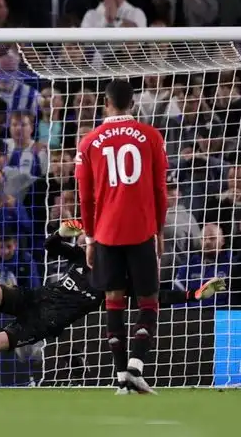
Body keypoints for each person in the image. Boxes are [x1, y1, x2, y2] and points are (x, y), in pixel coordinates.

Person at [0, 221, 225, 389]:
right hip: (33, 297)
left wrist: (196, 295)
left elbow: (160, 298)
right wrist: (62, 231)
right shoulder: (84, 258)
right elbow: (50, 245)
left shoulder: (116, 287)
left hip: (42, 323)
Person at [74, 79, 168, 394]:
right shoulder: (152, 137)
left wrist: (89, 239)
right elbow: (160, 190)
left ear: (106, 102)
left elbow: (85, 198)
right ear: (133, 103)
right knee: (148, 302)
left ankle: (121, 379)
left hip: (106, 233)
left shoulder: (88, 142)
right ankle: (135, 367)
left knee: (113, 301)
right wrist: (159, 230)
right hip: (141, 229)